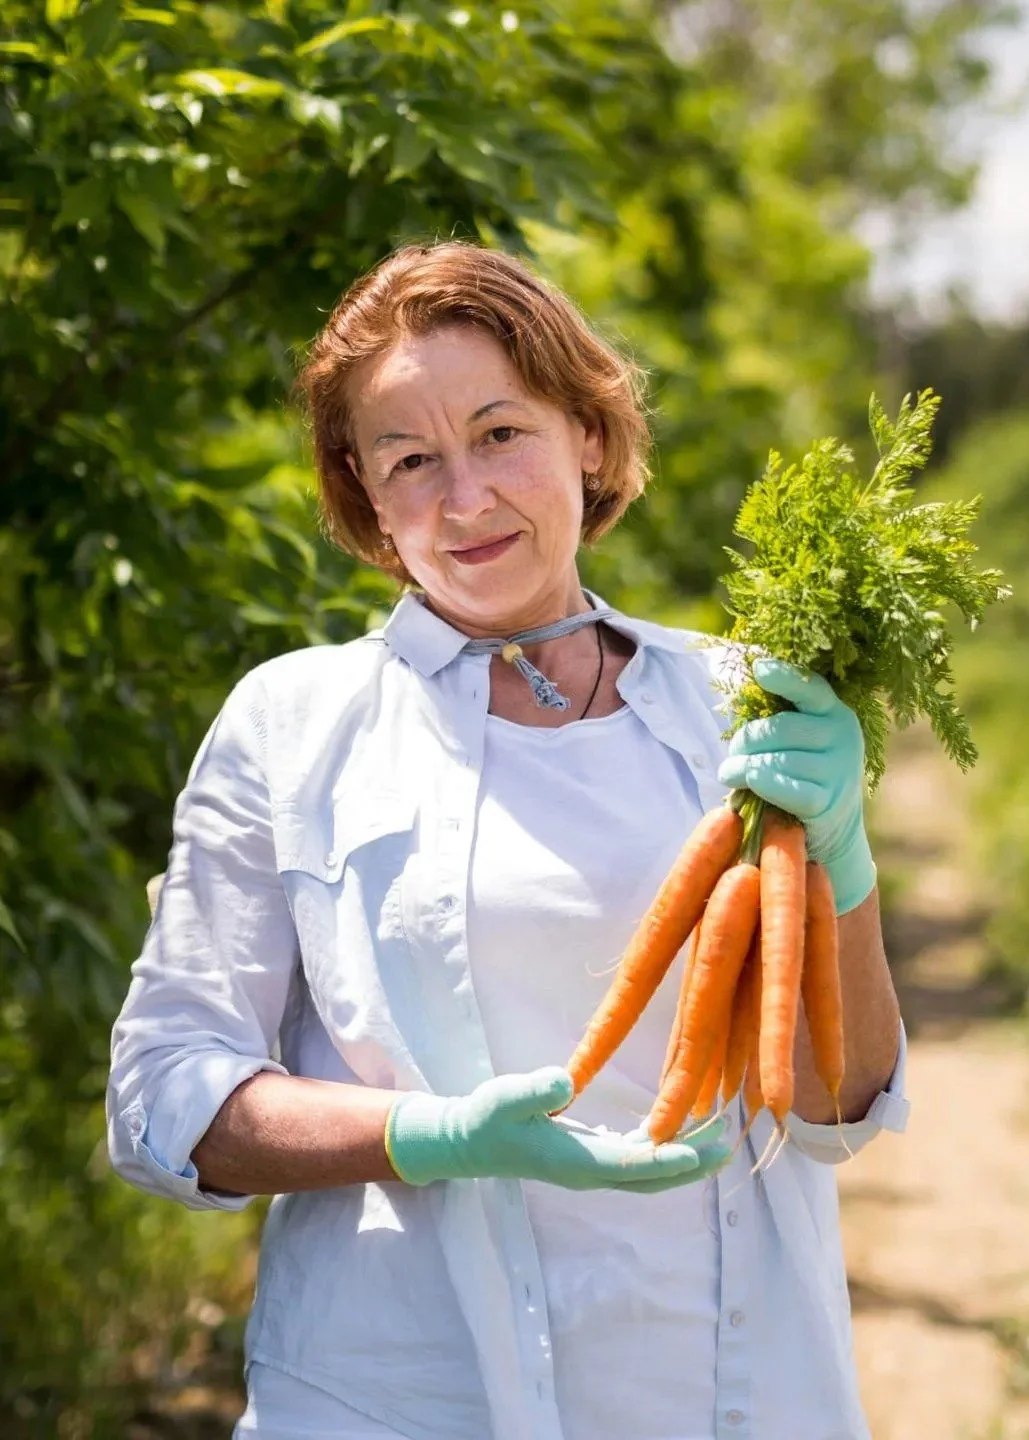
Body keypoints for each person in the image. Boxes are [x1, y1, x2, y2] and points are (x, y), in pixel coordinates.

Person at [107, 240, 909, 1440]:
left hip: (724, 1388)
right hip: (399, 1389)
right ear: (364, 493)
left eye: (499, 434)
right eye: (410, 459)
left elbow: (833, 1103)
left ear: (588, 431)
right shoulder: (292, 723)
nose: (463, 498)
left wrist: (842, 862)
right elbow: (164, 1098)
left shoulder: (738, 700)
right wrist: (430, 1138)